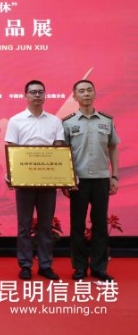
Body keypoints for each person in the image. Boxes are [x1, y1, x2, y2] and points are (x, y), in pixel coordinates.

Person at [5, 80, 64, 281]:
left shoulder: (55, 121)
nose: (37, 95)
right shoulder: (16, 121)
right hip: (25, 181)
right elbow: (11, 150)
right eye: (33, 92)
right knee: (24, 225)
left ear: (45, 95)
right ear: (26, 95)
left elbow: (58, 149)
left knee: (46, 225)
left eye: (40, 92)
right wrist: (12, 174)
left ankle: (45, 265)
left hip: (47, 179)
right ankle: (25, 265)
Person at [62, 80, 120, 282]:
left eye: (89, 90)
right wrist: (66, 181)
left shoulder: (106, 121)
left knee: (100, 225)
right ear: (75, 96)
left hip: (101, 179)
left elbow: (113, 147)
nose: (86, 94)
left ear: (95, 94)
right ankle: (79, 267)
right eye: (81, 91)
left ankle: (99, 267)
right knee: (77, 225)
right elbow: (63, 153)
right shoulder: (67, 123)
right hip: (78, 182)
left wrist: (114, 175)